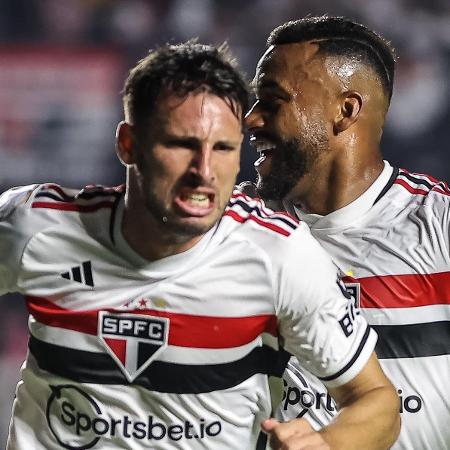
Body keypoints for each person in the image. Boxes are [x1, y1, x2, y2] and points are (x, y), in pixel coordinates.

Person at [1, 41, 399, 450]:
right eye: (182, 145)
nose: (204, 172)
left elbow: (376, 401)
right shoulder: (37, 225)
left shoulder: (279, 254)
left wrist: (329, 444)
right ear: (128, 145)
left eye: (223, 148)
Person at [245, 15, 450, 450]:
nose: (251, 120)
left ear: (346, 110)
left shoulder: (439, 226)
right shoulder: (232, 231)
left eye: (272, 101)